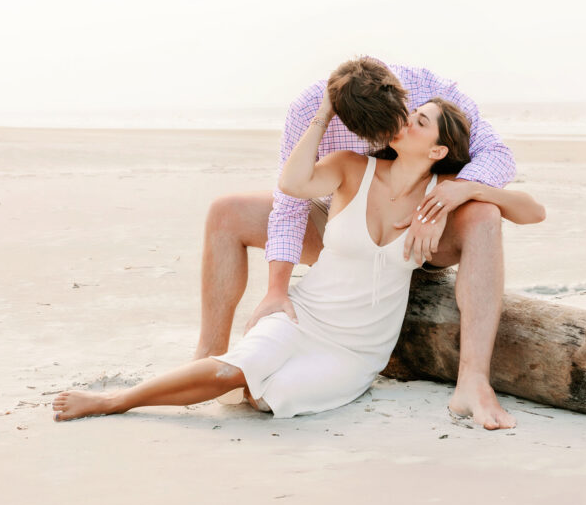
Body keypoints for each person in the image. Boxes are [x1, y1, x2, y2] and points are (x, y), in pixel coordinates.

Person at [52, 94, 543, 423]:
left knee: (263, 398)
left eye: (417, 121)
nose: (404, 120)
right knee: (235, 372)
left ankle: (469, 385)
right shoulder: (354, 168)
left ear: (437, 150)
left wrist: (471, 191)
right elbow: (292, 184)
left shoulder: (442, 193)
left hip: (355, 351)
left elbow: (532, 212)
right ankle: (116, 401)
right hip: (303, 313)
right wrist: (324, 114)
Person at [195, 57, 525, 429]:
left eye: (400, 124)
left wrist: (445, 199)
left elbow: (499, 156)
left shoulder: (430, 89)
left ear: (404, 98)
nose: (391, 139)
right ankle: (210, 354)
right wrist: (277, 289)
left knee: (485, 215)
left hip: (424, 234)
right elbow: (290, 201)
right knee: (226, 212)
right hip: (350, 232)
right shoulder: (310, 108)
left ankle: (473, 379)